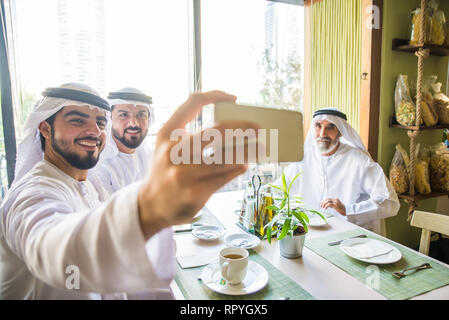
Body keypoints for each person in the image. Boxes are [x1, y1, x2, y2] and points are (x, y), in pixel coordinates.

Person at [0, 83, 257, 299]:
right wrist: (151, 206)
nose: (93, 131)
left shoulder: (87, 184)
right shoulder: (31, 193)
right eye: (77, 120)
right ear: (45, 128)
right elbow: (60, 251)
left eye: (100, 122)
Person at [274, 107, 400, 233]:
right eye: (318, 126)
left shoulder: (359, 161)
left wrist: (348, 210)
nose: (323, 133)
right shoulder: (303, 159)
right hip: (308, 234)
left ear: (340, 132)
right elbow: (277, 190)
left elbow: (390, 202)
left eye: (330, 127)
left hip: (349, 237)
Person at [89, 87, 155, 196]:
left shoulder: (149, 155)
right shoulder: (98, 165)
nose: (133, 124)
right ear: (110, 119)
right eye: (124, 115)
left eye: (141, 115)